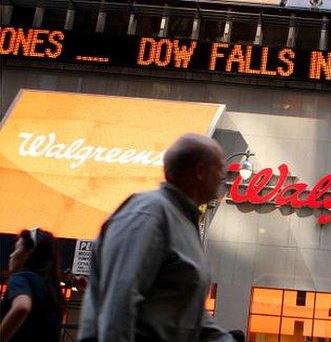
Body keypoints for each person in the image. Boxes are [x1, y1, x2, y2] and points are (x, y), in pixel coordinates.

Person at [78, 134, 233, 342]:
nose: (225, 175)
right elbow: (119, 302)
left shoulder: (182, 220)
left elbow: (189, 314)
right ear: (200, 171)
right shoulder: (148, 214)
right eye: (220, 168)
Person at [0, 228, 62, 342]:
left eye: (16, 249)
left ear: (28, 253)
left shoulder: (21, 278)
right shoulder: (52, 289)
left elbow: (22, 307)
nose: (11, 255)